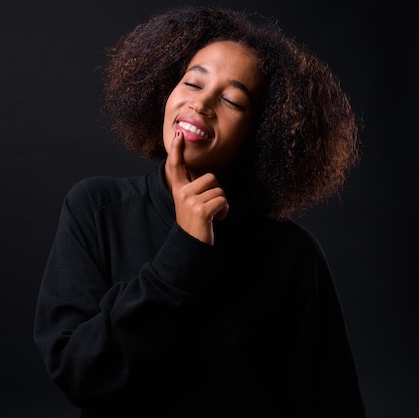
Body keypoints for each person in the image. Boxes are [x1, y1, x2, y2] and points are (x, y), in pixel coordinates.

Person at [33, 6, 366, 417]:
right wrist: (185, 250)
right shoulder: (95, 210)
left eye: (230, 100)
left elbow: (332, 402)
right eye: (192, 82)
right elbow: (79, 372)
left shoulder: (293, 254)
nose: (201, 103)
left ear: (262, 133)